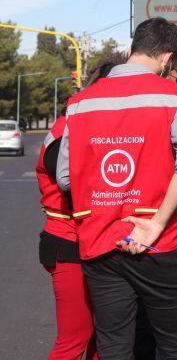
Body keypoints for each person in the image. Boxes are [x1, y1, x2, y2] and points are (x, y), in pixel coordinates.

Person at [56, 17, 177, 359]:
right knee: (176, 347)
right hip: (160, 244)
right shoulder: (176, 97)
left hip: (100, 245)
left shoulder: (79, 103)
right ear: (168, 59)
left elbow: (66, 178)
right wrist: (154, 222)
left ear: (131, 49)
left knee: (115, 347)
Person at [37, 115, 98, 360]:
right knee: (75, 339)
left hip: (90, 240)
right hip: (69, 241)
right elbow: (69, 184)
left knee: (104, 337)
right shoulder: (67, 129)